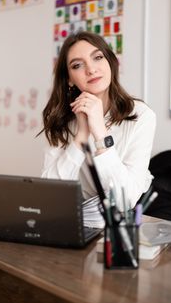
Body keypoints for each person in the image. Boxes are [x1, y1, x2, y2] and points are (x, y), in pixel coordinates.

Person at [40, 31, 156, 212]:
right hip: (78, 218)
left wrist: (100, 132)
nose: (91, 69)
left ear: (111, 62)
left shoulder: (142, 116)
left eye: (98, 57)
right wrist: (81, 136)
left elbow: (125, 201)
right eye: (77, 65)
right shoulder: (59, 118)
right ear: (69, 79)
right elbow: (48, 193)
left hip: (124, 221)